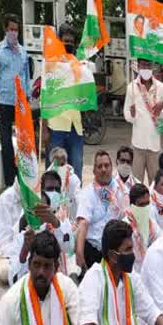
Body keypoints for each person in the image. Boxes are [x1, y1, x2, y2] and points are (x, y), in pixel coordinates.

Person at [7, 171, 73, 285]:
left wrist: (55, 223)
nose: (53, 193)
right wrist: (25, 250)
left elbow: (68, 248)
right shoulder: (26, 225)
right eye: (49, 189)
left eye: (57, 189)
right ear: (40, 193)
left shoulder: (62, 221)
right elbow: (13, 280)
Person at [0, 13, 31, 186]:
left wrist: (28, 99)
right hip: (5, 101)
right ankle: (10, 181)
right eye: (11, 29)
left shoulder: (23, 52)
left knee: (23, 141)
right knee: (6, 141)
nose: (14, 33)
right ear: (5, 29)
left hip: (21, 102)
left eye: (16, 30)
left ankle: (24, 177)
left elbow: (26, 77)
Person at [124, 59, 163, 184]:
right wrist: (132, 115)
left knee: (155, 184)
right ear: (138, 66)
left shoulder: (161, 87)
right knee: (136, 184)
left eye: (148, 65)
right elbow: (126, 114)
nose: (146, 67)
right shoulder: (132, 87)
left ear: (152, 67)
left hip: (155, 145)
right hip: (138, 144)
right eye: (143, 65)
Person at [46, 24, 84, 179]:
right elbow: (45, 96)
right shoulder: (51, 64)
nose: (69, 44)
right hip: (57, 126)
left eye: (72, 41)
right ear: (59, 41)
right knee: (56, 172)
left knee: (76, 171)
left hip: (76, 127)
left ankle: (76, 202)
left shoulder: (79, 65)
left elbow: (83, 92)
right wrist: (43, 127)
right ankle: (54, 202)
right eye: (66, 41)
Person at [75, 151, 124, 271]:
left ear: (112, 168)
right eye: (99, 166)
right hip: (93, 251)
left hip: (115, 252)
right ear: (94, 171)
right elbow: (83, 223)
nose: (103, 169)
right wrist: (79, 252)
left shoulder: (121, 191)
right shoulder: (88, 193)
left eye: (107, 166)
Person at [122, 184, 163, 273]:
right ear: (132, 205)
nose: (145, 208)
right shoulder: (124, 227)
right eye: (141, 204)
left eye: (147, 204)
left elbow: (161, 245)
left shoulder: (151, 224)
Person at [0, 182, 23, 284]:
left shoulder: (39, 191)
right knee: (5, 272)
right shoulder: (6, 198)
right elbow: (4, 241)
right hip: (14, 253)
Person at [48, 146, 82, 220]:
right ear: (52, 163)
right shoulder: (47, 178)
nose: (60, 168)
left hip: (70, 219)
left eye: (62, 164)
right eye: (57, 164)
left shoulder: (73, 179)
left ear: (66, 163)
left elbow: (79, 199)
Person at [112, 146, 140, 211]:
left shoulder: (137, 185)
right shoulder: (109, 183)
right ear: (117, 161)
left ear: (132, 163)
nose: (125, 164)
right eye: (122, 161)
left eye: (128, 162)